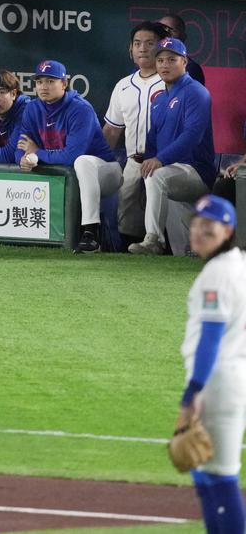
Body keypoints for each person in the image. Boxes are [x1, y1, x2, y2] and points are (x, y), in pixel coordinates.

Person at [173, 195, 246, 534]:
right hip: (227, 379)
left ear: (228, 230)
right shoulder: (238, 265)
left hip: (216, 383)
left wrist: (192, 395)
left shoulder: (219, 274)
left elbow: (210, 339)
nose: (198, 232)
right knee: (204, 474)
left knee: (221, 478)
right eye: (196, 225)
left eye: (209, 227)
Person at [14, 60, 121, 254]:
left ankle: (91, 233)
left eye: (50, 81)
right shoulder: (32, 109)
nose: (43, 86)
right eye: (39, 82)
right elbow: (20, 147)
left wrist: (37, 152)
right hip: (72, 175)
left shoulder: (80, 109)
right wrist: (23, 158)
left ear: (64, 84)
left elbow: (72, 156)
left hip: (105, 171)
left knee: (81, 162)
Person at [129, 38, 216, 256]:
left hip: (195, 171)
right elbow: (152, 138)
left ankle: (153, 239)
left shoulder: (196, 92)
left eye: (171, 59)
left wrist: (159, 160)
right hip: (172, 172)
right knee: (184, 252)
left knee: (156, 175)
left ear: (184, 61)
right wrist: (148, 161)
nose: (165, 65)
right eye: (160, 60)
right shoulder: (160, 99)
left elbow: (192, 136)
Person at [102, 21, 169, 246]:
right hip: (134, 161)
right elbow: (112, 130)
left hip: (166, 162)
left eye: (150, 43)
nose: (142, 48)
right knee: (126, 223)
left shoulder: (172, 82)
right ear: (130, 49)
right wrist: (99, 161)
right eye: (137, 43)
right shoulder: (123, 85)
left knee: (167, 224)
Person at [157, 13, 206, 85]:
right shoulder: (145, 67)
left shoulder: (190, 69)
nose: (165, 36)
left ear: (183, 37)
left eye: (172, 31)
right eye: (161, 31)